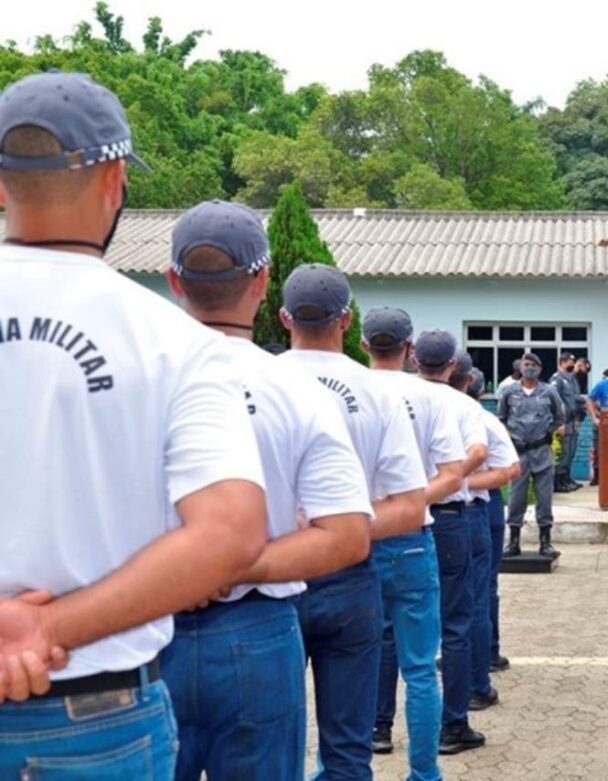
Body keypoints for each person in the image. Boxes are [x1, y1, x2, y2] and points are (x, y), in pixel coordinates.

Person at [0, 71, 268, 777]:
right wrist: (43, 626)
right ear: (116, 179)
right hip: (92, 719)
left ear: (1, 185)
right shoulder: (172, 340)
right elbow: (230, 530)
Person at [162, 201, 374, 779]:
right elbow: (348, 535)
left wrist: (179, 572)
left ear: (174, 280)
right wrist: (236, 565)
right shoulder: (296, 389)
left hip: (144, 629)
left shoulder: (129, 379)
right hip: (256, 630)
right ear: (262, 282)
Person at [279, 265, 429, 779]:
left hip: (271, 578)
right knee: (347, 753)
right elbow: (410, 507)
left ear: (284, 318)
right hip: (349, 576)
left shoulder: (253, 381)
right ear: (346, 319)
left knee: (273, 749)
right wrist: (337, 534)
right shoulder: (377, 391)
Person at [361, 306, 465, 775]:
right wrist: (406, 504)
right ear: (409, 349)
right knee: (421, 668)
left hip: (351, 540)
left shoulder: (346, 389)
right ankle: (424, 773)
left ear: (363, 343)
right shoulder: (431, 397)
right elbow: (452, 474)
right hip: (410, 539)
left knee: (350, 668)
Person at [411, 331, 491, 755]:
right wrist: (450, 477)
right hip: (446, 516)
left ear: (414, 358)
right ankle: (453, 725)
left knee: (389, 629)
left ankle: (380, 727)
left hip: (393, 518)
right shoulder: (463, 405)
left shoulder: (394, 395)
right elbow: (479, 452)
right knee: (455, 623)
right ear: (455, 367)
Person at [464, 369, 521, 711]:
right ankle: (477, 658)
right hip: (470, 506)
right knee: (478, 589)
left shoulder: (480, 419)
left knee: (481, 588)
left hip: (479, 505)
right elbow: (511, 467)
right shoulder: (479, 418)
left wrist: (457, 482)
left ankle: (486, 652)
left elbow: (511, 468)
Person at [499, 352, 566, 558]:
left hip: (541, 451)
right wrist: (510, 440)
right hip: (518, 453)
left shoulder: (549, 392)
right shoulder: (509, 392)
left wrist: (548, 433)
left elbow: (559, 416)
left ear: (540, 369)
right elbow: (501, 418)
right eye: (526, 364)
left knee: (544, 498)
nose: (529, 368)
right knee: (516, 498)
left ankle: (545, 541)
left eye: (533, 365)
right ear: (520, 368)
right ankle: (514, 541)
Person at [551, 351, 584, 493]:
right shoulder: (557, 379)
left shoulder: (571, 379)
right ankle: (558, 482)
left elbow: (574, 399)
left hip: (572, 420)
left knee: (571, 451)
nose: (572, 365)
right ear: (562, 363)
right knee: (563, 452)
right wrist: (558, 423)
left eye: (573, 362)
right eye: (570, 362)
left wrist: (578, 418)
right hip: (563, 422)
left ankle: (566, 479)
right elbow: (553, 401)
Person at [586, 361, 608, 485]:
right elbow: (590, 400)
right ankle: (597, 475)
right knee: (599, 449)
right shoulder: (602, 384)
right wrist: (594, 418)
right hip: (604, 422)